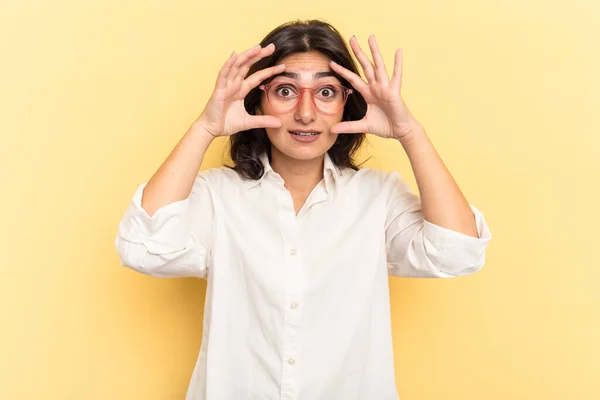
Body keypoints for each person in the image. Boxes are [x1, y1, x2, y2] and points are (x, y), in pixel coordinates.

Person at [115, 19, 492, 400]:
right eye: (285, 91)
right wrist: (205, 127)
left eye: (326, 92)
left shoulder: (378, 198)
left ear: (346, 103)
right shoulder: (217, 196)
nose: (306, 113)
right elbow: (143, 249)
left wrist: (411, 132)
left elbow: (458, 253)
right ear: (258, 99)